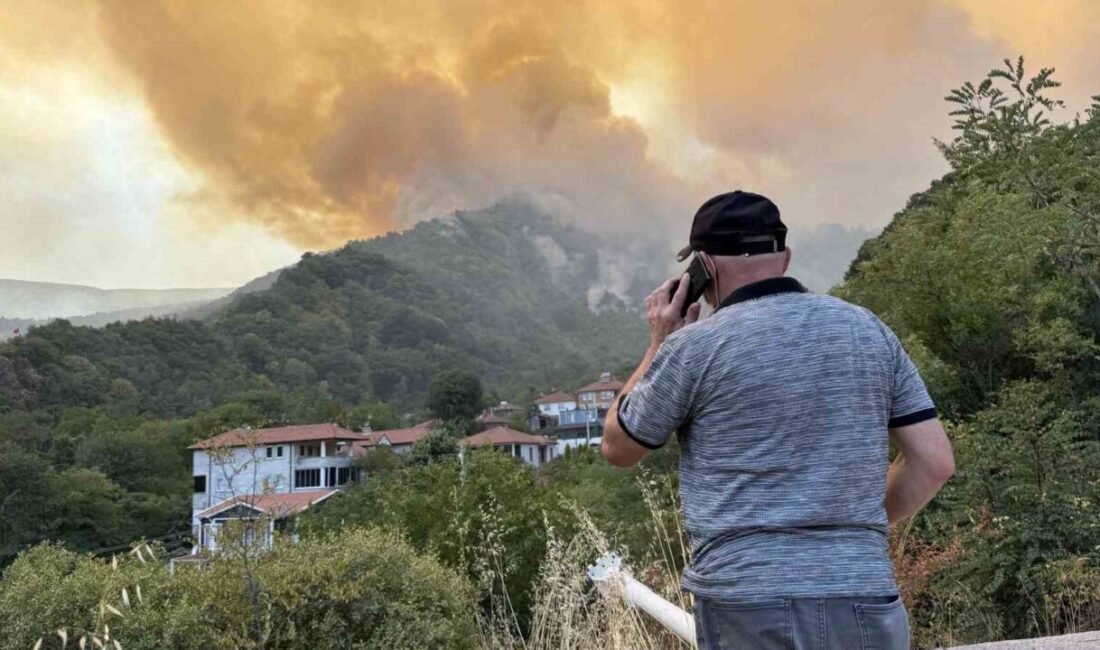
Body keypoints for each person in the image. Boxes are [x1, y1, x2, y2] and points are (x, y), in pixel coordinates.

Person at [601, 191, 955, 650]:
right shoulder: (868, 330)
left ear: (702, 268)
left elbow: (619, 446)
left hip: (748, 598)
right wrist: (848, 529)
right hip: (865, 590)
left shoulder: (693, 349)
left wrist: (658, 342)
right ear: (784, 257)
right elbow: (934, 463)